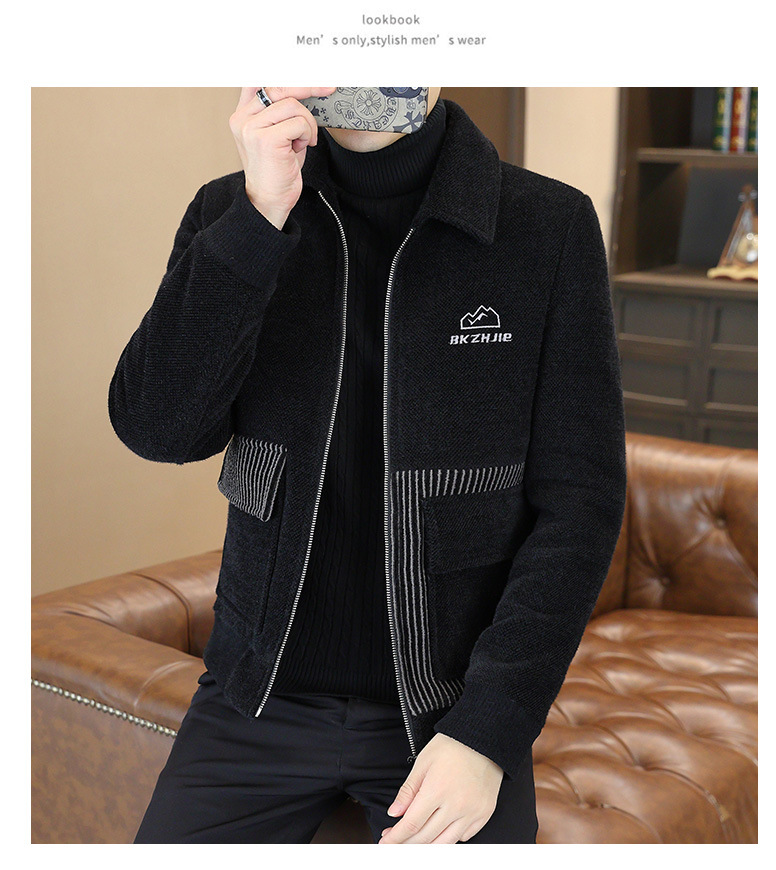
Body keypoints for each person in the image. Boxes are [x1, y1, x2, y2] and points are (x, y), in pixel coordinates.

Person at [111, 86, 627, 844]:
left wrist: (489, 729)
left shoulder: (547, 224)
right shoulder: (232, 208)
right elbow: (159, 429)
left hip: (446, 709)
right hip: (256, 696)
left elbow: (580, 504)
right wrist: (258, 217)